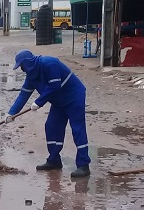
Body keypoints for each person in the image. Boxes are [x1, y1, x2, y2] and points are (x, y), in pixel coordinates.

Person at [5, 50, 91, 178]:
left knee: (77, 129)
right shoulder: (31, 76)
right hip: (58, 101)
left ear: (28, 63)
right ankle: (54, 160)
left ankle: (83, 165)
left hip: (74, 97)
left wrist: (38, 102)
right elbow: (23, 95)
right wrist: (11, 113)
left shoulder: (49, 63)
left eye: (22, 66)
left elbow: (54, 86)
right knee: (51, 126)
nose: (22, 70)